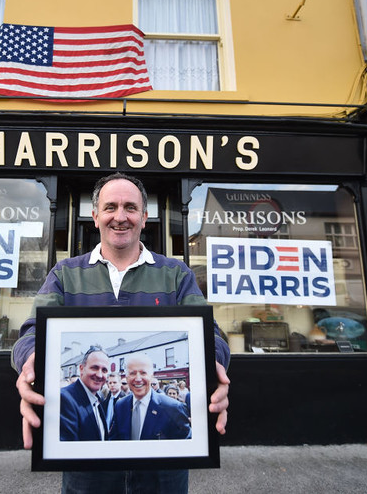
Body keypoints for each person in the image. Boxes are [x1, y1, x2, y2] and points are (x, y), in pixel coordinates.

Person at [13, 173, 230, 494]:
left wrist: (212, 367)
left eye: (130, 208)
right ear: (95, 215)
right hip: (86, 464)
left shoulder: (176, 274)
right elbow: (30, 334)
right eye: (110, 207)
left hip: (164, 464)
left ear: (144, 217)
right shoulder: (65, 274)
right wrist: (32, 365)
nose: (120, 216)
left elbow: (212, 336)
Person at [109, 353, 191, 441]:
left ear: (151, 376)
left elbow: (186, 448)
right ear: (126, 377)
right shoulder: (120, 405)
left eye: (143, 373)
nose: (138, 379)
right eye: (132, 373)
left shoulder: (173, 408)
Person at [60, 346, 110, 441]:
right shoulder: (65, 399)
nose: (99, 375)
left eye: (104, 370)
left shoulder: (98, 398)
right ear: (81, 368)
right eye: (94, 368)